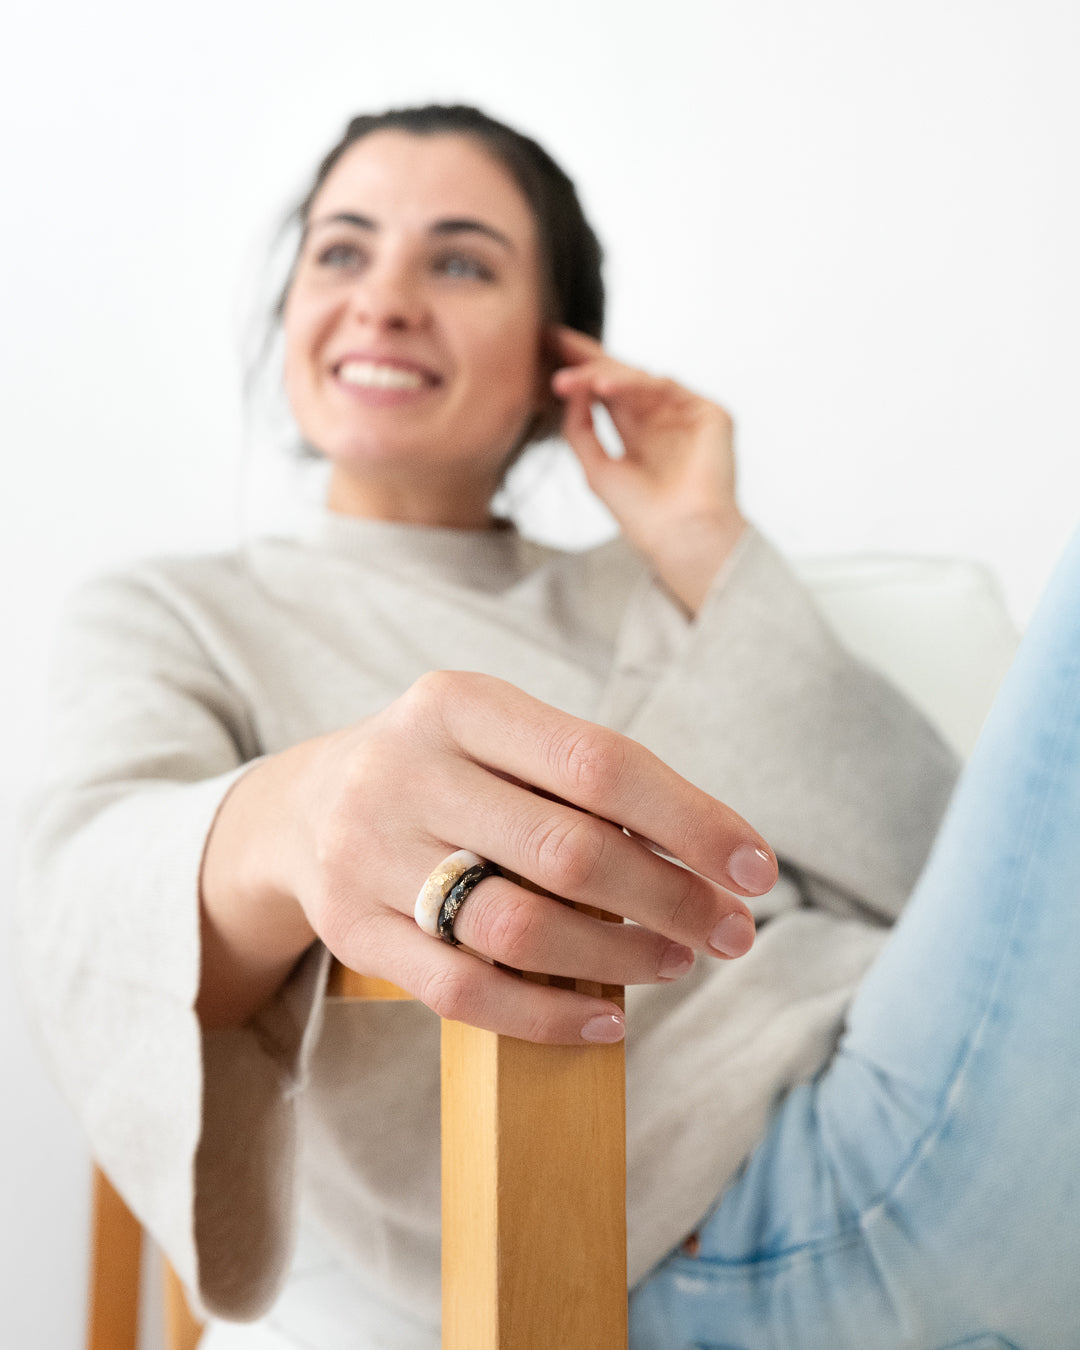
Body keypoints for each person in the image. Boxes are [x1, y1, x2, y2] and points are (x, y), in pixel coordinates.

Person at [20, 103, 1073, 1349]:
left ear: (553, 357)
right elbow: (84, 902)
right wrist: (296, 817)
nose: (385, 299)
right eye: (342, 250)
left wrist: (704, 543)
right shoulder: (180, 612)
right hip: (745, 1216)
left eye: (461, 263)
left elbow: (971, 896)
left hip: (934, 1089)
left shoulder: (655, 583)